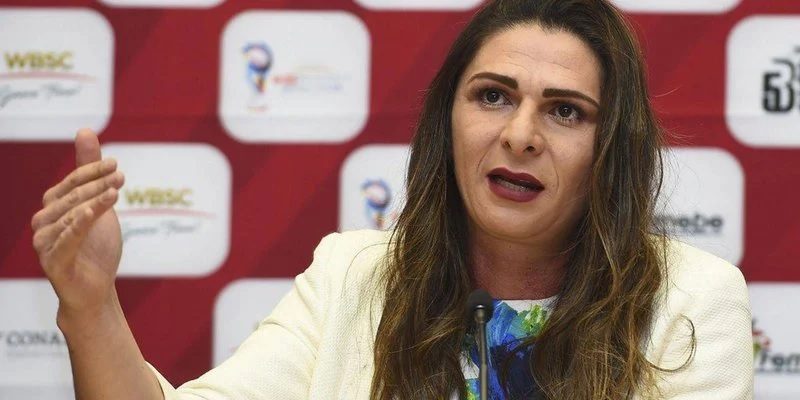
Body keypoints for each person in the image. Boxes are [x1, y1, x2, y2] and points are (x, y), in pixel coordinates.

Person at [31, 0, 753, 399]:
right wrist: (91, 306)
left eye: (565, 111)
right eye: (493, 97)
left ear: (611, 150)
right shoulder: (353, 276)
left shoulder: (692, 299)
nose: (520, 135)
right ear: (448, 120)